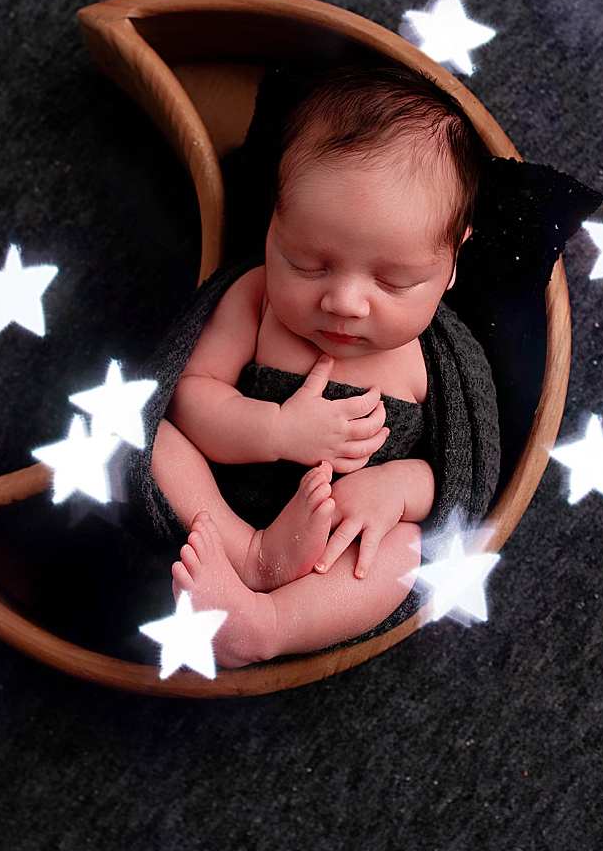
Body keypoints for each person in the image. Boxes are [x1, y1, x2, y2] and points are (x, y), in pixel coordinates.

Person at [151, 63, 486, 668]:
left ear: (453, 260)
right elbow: (190, 398)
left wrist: (396, 489)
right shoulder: (254, 299)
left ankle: (269, 624)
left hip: (342, 543)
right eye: (307, 263)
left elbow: (457, 477)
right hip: (223, 518)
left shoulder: (437, 359)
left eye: (394, 280)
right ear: (274, 222)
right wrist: (277, 429)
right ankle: (252, 557)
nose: (344, 302)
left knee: (409, 549)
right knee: (155, 440)